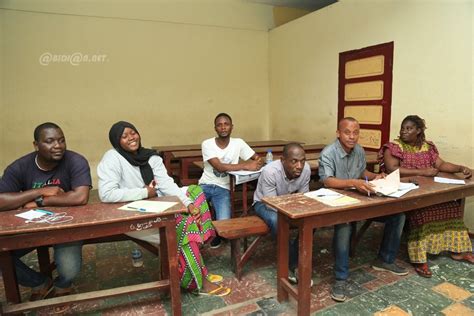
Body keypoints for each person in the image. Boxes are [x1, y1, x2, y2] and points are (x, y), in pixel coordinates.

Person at [97, 121, 230, 296]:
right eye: (124, 136)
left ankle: (197, 260)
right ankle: (198, 282)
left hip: (158, 206)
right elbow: (106, 194)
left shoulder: (150, 157)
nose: (131, 138)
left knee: (196, 192)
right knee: (185, 224)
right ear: (116, 141)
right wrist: (144, 192)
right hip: (134, 217)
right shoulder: (113, 158)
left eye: (133, 132)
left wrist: (188, 205)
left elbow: (167, 184)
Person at [319, 117, 407, 303]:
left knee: (397, 215)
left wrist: (376, 176)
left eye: (356, 132)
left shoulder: (359, 150)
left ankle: (385, 259)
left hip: (360, 198)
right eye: (347, 132)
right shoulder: (329, 152)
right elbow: (328, 181)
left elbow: (361, 173)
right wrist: (353, 183)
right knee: (344, 226)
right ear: (338, 133)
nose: (352, 137)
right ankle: (340, 278)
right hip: (336, 201)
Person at [0, 122, 91, 301]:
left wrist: (39, 202)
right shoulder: (20, 166)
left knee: (69, 270)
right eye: (50, 141)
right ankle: (39, 283)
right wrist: (39, 191)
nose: (57, 146)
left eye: (61, 140)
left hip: (67, 226)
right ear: (36, 145)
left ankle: (63, 284)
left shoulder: (75, 160)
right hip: (29, 227)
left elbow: (79, 197)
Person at [379, 115, 473, 277]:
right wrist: (422, 172)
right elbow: (392, 169)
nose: (404, 131)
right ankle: (419, 259)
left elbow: (441, 165)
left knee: (451, 207)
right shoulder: (394, 147)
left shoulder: (427, 147)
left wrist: (460, 167)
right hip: (407, 190)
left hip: (428, 189)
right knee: (423, 211)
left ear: (419, 131)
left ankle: (457, 250)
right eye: (402, 128)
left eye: (409, 128)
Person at [198, 113, 263, 248]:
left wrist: (258, 162)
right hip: (205, 185)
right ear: (215, 128)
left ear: (232, 127)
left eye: (226, 124)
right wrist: (246, 165)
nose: (223, 127)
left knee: (224, 227)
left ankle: (213, 232)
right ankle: (200, 236)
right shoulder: (207, 143)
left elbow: (257, 158)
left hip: (224, 188)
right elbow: (219, 167)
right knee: (192, 212)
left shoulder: (238, 143)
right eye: (219, 125)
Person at [253, 143, 311, 285]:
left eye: (302, 161)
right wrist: (292, 213)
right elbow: (271, 204)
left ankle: (296, 253)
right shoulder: (269, 171)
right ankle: (294, 264)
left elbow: (304, 197)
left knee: (311, 220)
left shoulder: (306, 170)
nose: (299, 166)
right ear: (282, 160)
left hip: (291, 202)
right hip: (264, 204)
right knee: (277, 221)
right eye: (294, 161)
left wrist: (298, 210)